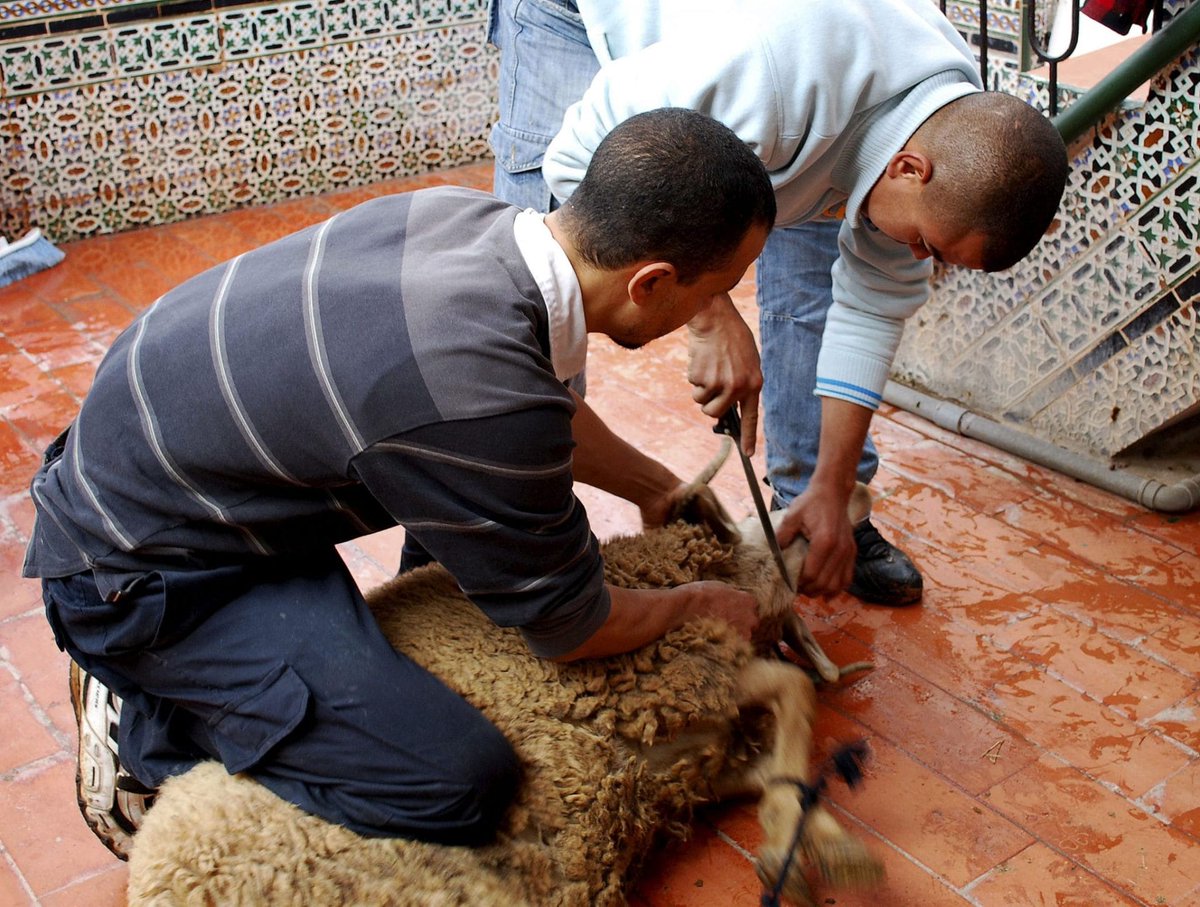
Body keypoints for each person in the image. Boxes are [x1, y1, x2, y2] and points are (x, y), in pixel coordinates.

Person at [23, 107, 776, 860]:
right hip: (142, 576)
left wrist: (656, 485)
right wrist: (697, 603)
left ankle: (284, 691)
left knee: (499, 510)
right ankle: (156, 725)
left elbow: (536, 419)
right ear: (651, 282)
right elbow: (572, 626)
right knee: (459, 782)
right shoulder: (483, 390)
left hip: (187, 480)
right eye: (722, 288)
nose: (714, 309)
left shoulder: (475, 223)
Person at [487, 0, 1070, 606]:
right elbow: (575, 158)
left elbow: (870, 309)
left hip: (785, 99)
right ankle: (511, 545)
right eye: (926, 244)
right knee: (547, 288)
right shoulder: (765, 76)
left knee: (811, 285)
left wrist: (834, 486)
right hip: (583, 18)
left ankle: (813, 507)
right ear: (907, 168)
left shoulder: (946, 133)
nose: (920, 258)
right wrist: (710, 315)